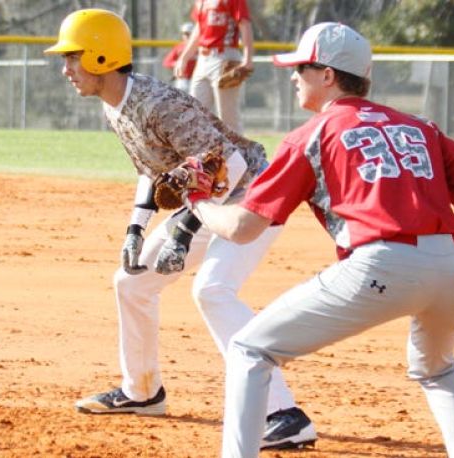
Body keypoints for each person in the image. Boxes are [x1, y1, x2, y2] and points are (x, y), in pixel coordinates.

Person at [178, 22, 454, 458]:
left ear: (327, 75)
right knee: (438, 372)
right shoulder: (419, 126)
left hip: (379, 265)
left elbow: (241, 228)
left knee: (249, 350)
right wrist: (453, 251)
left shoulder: (311, 134)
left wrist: (197, 200)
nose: (294, 77)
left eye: (301, 68)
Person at [43, 8, 317, 450]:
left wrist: (183, 232)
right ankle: (142, 391)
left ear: (99, 56)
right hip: (210, 199)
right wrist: (136, 228)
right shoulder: (116, 106)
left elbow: (229, 164)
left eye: (72, 57)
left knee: (212, 290)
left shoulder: (157, 104)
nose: (66, 68)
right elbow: (154, 170)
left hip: (251, 195)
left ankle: (284, 414)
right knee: (131, 282)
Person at [174, 0, 253, 133]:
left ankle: (237, 147)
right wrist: (184, 58)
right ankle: (202, 146)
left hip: (224, 57)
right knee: (194, 113)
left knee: (228, 118)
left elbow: (244, 24)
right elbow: (199, 28)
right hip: (203, 59)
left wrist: (248, 58)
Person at [162, 22, 197, 93]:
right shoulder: (179, 47)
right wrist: (177, 63)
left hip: (197, 79)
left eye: (189, 33)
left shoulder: (200, 47)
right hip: (183, 80)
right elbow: (166, 62)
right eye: (185, 34)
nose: (187, 36)